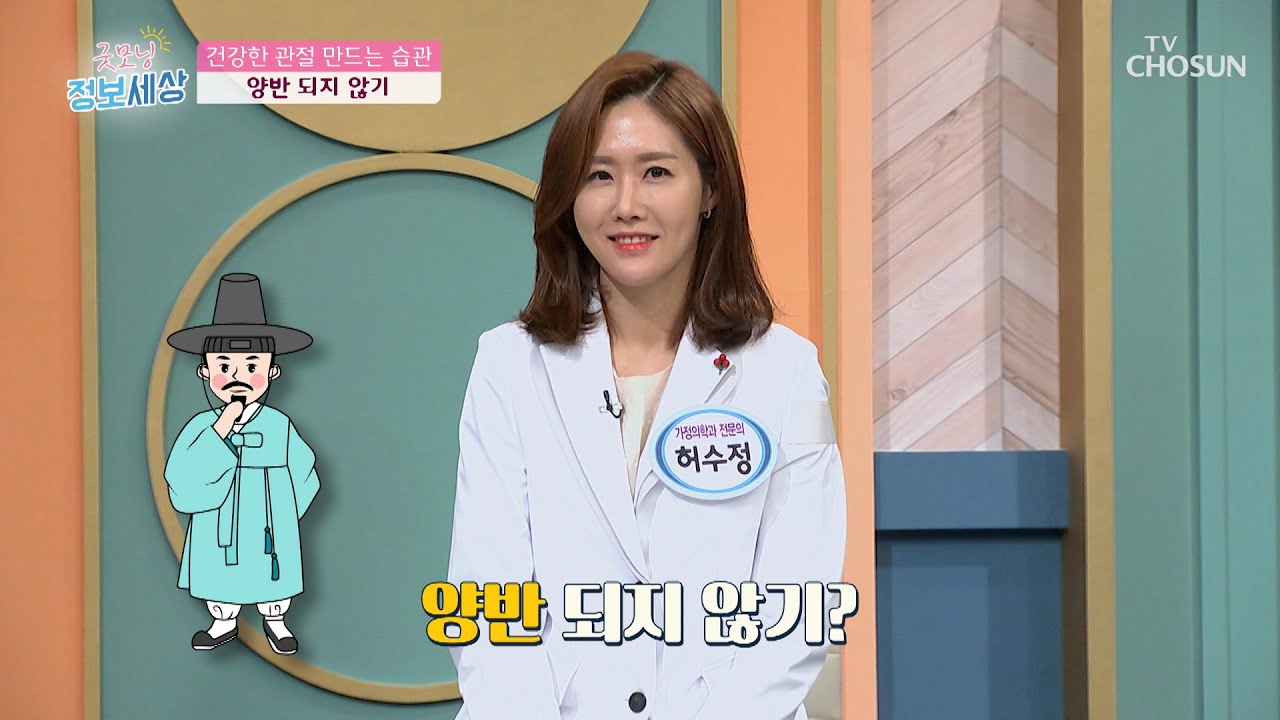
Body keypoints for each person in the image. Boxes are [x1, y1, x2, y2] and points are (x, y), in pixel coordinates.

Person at [446, 52, 847, 719]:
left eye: (656, 172)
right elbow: (489, 599)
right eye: (598, 176)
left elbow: (798, 608)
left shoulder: (786, 372)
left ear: (711, 189)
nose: (626, 205)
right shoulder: (508, 365)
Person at [164, 272, 321, 655]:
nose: (239, 378)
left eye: (252, 367)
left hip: (268, 523)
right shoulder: (202, 427)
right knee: (220, 581)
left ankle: (276, 621)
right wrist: (222, 427)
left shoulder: (279, 426)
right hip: (218, 523)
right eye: (225, 367)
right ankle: (223, 621)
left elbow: (305, 475)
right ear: (205, 371)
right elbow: (182, 480)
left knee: (273, 578)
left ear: (272, 371)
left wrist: (280, 514)